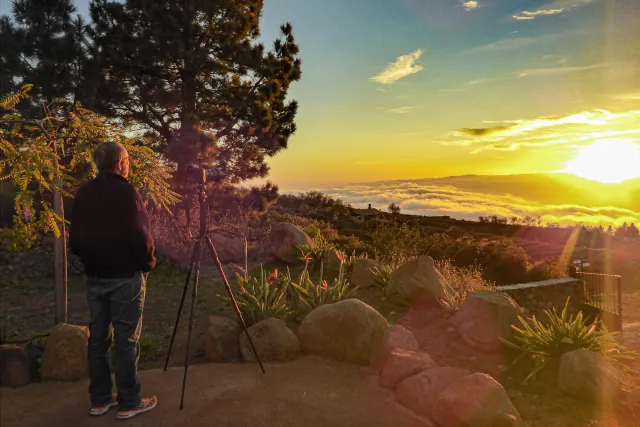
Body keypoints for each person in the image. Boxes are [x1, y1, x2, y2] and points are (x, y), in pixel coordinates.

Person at [70, 141, 158, 419]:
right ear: (119, 163)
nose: (128, 164)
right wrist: (147, 264)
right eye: (128, 159)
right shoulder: (126, 192)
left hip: (95, 277)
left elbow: (76, 239)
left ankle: (101, 400)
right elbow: (141, 235)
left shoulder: (84, 192)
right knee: (126, 340)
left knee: (97, 339)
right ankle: (130, 401)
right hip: (124, 278)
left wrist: (90, 260)